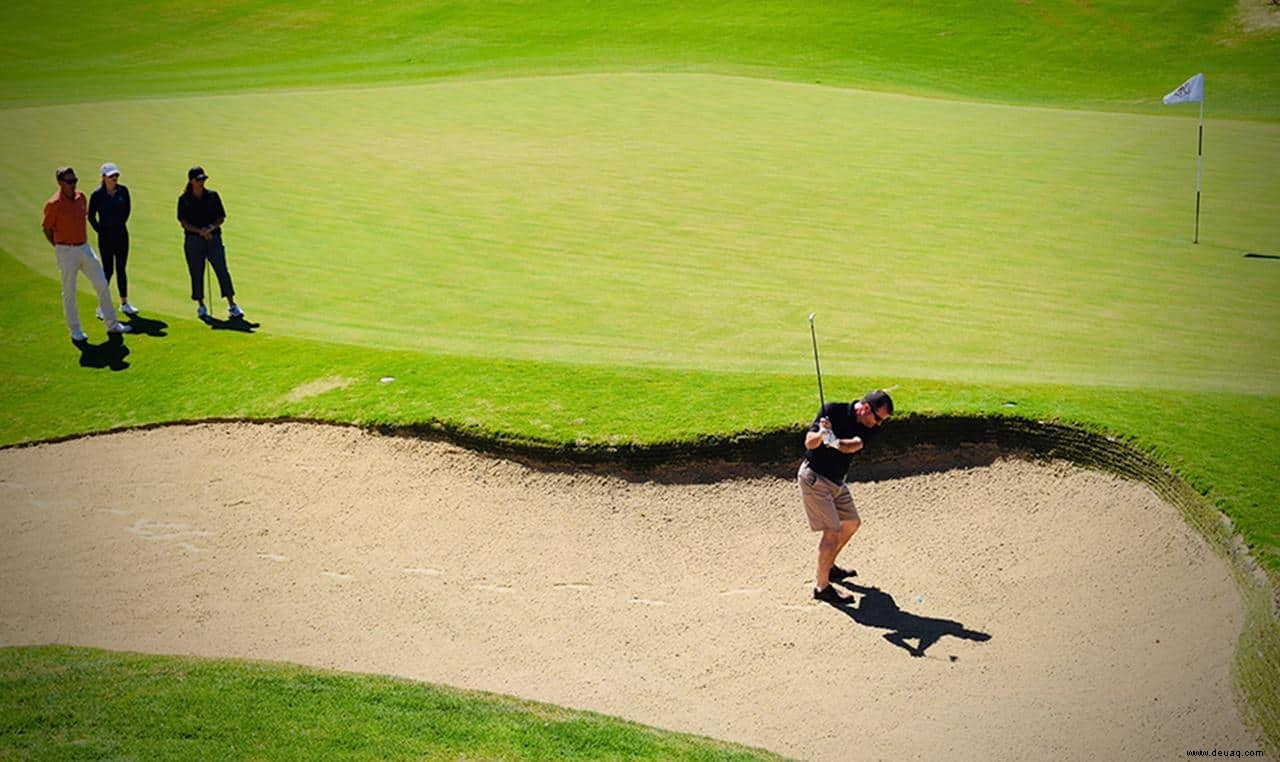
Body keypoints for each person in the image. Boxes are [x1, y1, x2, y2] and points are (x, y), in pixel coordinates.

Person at [798, 389, 893, 602]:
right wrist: (822, 435)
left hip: (837, 482)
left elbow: (854, 445)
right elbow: (809, 442)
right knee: (831, 531)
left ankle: (828, 566)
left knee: (851, 523)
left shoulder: (870, 426)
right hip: (815, 478)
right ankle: (822, 588)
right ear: (865, 408)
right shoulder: (832, 410)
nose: (878, 424)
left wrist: (835, 442)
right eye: (878, 418)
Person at [42, 166, 132, 342]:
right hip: (66, 250)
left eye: (75, 180)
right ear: (60, 183)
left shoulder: (81, 197)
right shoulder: (54, 204)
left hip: (84, 247)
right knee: (69, 291)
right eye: (69, 182)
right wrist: (59, 246)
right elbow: (46, 229)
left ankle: (112, 324)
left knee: (102, 283)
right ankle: (75, 330)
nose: (73, 184)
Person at [177, 166, 244, 319]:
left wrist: (209, 228)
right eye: (198, 180)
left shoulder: (212, 196)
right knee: (196, 273)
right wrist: (200, 231)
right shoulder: (184, 199)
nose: (201, 182)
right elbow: (183, 222)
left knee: (222, 270)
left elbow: (221, 218)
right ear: (191, 181)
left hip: (213, 239)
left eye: (203, 179)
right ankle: (201, 306)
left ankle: (232, 305)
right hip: (193, 240)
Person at [88, 162, 138, 317]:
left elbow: (127, 210)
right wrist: (100, 231)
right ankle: (102, 307)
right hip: (106, 238)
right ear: (103, 177)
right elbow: (91, 216)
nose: (114, 178)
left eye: (116, 175)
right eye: (111, 176)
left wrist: (119, 224)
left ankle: (124, 303)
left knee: (121, 269)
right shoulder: (97, 195)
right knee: (107, 270)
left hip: (121, 235)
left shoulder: (123, 191)